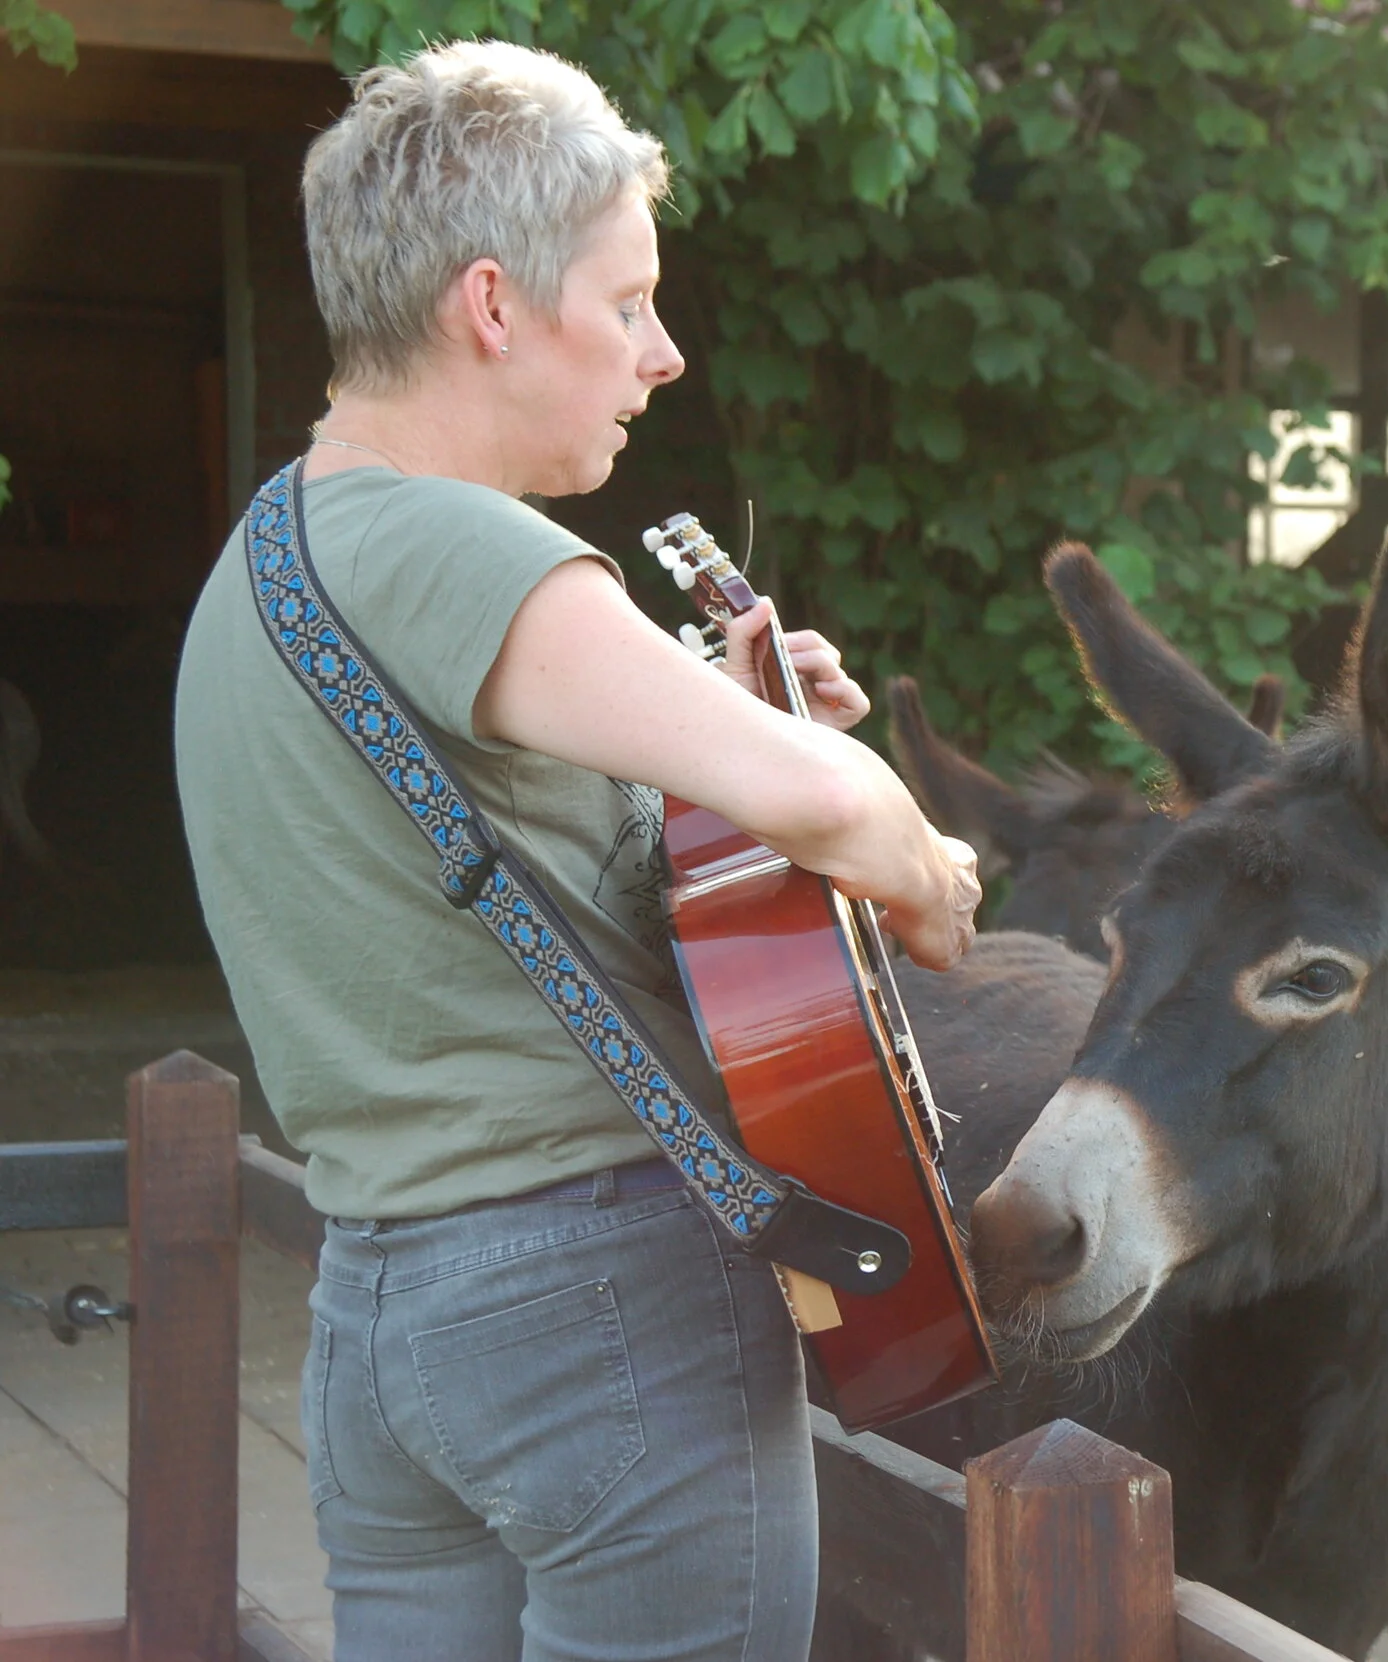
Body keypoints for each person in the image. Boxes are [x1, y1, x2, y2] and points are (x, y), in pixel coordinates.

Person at [172, 39, 980, 1662]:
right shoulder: (471, 546)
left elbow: (483, 882)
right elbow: (833, 811)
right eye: (628, 304)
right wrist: (935, 870)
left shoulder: (263, 566)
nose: (662, 354)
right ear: (492, 306)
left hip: (379, 1316)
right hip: (595, 1306)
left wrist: (729, 733)